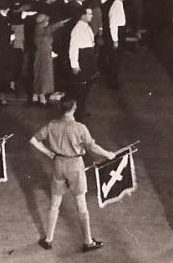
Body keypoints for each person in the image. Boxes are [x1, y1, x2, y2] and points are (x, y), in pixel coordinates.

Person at [29, 97, 119, 252]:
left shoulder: (51, 125)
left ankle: (49, 239)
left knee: (55, 204)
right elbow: (92, 147)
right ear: (74, 108)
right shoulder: (80, 127)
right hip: (75, 166)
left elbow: (33, 140)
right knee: (81, 204)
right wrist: (108, 154)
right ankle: (88, 241)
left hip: (58, 164)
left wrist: (49, 153)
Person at [69, 4, 97, 119]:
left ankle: (81, 110)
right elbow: (73, 48)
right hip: (82, 58)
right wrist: (74, 65)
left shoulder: (86, 26)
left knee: (86, 86)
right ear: (82, 15)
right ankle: (77, 113)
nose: (92, 15)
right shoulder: (77, 29)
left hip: (88, 57)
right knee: (81, 87)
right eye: (89, 13)